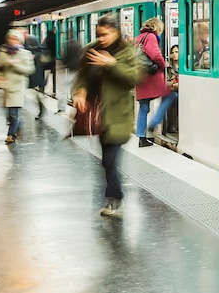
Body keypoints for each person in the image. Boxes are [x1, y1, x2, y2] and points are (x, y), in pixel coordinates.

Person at [72, 15, 141, 217]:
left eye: (106, 34)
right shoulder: (92, 50)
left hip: (119, 115)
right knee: (106, 161)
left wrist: (111, 64)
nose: (101, 38)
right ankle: (115, 198)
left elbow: (133, 78)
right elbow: (82, 76)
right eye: (99, 34)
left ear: (116, 32)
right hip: (99, 115)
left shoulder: (127, 52)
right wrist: (80, 91)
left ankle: (115, 199)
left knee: (110, 160)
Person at [0, 30, 35, 144]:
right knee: (9, 114)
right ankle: (18, 126)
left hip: (18, 86)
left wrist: (15, 64)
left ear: (20, 40)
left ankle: (11, 135)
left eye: (15, 39)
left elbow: (30, 69)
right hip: (6, 86)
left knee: (13, 112)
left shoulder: (25, 54)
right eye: (11, 38)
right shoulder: (2, 52)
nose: (12, 41)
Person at [134, 17, 168, 147]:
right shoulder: (151, 37)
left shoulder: (139, 37)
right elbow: (155, 55)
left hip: (141, 76)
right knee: (170, 96)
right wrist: (164, 65)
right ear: (156, 27)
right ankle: (153, 124)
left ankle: (141, 137)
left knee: (143, 108)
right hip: (151, 77)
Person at [146, 45, 180, 138]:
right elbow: (164, 82)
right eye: (172, 53)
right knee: (171, 96)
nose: (175, 54)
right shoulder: (167, 67)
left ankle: (155, 122)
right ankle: (169, 125)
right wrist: (174, 85)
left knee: (170, 96)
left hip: (185, 93)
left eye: (177, 52)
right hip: (173, 92)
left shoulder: (187, 66)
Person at [25, 33, 49, 119]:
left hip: (35, 77)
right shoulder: (40, 52)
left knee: (37, 95)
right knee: (38, 95)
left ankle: (41, 110)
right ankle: (41, 110)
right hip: (38, 77)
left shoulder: (33, 54)